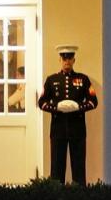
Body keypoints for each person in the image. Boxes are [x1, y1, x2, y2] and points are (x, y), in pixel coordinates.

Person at [40, 44, 98, 184]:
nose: (67, 61)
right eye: (64, 58)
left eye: (70, 58)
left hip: (77, 129)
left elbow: (93, 101)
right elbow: (41, 102)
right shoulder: (51, 80)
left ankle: (79, 198)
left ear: (74, 60)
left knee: (78, 168)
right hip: (58, 129)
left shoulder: (83, 79)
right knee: (56, 168)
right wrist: (57, 107)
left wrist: (78, 107)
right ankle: (57, 198)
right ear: (59, 60)